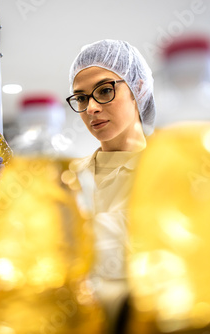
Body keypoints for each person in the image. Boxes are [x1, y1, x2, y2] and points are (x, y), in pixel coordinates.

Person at [66, 39, 156, 329]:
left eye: (104, 90)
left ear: (138, 89)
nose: (91, 107)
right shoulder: (67, 177)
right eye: (80, 98)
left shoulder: (167, 171)